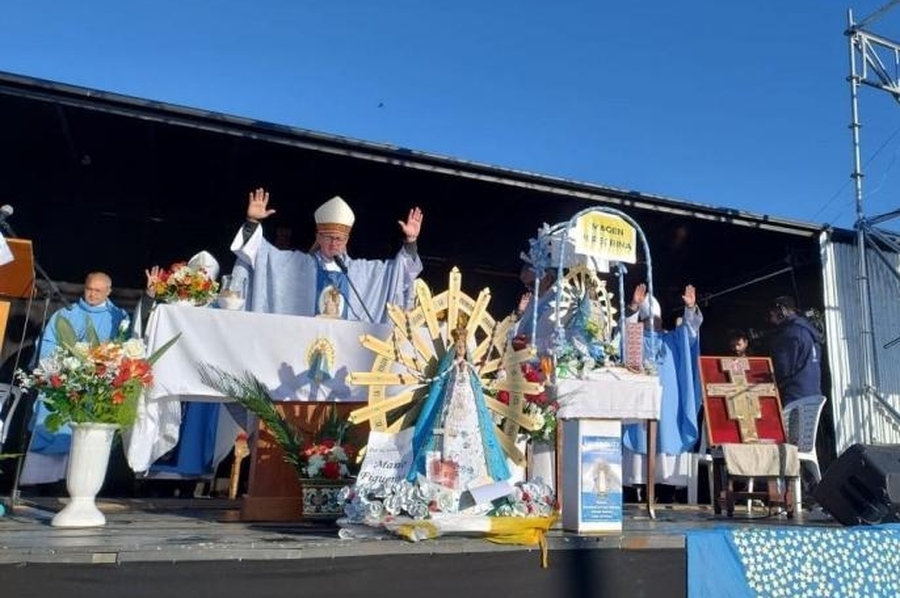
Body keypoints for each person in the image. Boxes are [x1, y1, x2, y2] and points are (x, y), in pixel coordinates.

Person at [230, 188, 423, 323]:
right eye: (329, 237)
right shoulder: (298, 265)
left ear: (347, 239)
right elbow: (260, 254)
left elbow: (398, 273)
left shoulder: (359, 273)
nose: (334, 243)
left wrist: (411, 241)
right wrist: (252, 221)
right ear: (318, 237)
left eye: (340, 238)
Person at [19, 272, 130, 487]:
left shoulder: (118, 317)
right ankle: (42, 484)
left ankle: (80, 485)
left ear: (109, 291)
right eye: (89, 289)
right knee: (50, 415)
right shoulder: (65, 315)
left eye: (98, 291)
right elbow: (48, 344)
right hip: (64, 383)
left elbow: (121, 348)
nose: (92, 294)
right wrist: (64, 369)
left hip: (97, 387)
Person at [406, 315, 510, 501]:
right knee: (445, 443)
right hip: (450, 413)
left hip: (469, 412)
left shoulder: (469, 367)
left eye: (463, 347)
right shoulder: (450, 366)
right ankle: (443, 493)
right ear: (454, 349)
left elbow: (478, 383)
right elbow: (439, 382)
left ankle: (480, 490)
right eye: (458, 348)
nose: (461, 350)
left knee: (475, 442)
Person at [621, 283, 704, 493]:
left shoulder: (672, 339)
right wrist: (633, 308)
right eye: (648, 319)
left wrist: (690, 309)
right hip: (640, 402)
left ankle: (665, 491)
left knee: (666, 439)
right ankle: (637, 491)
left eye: (656, 319)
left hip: (669, 402)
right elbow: (622, 335)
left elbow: (690, 334)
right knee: (640, 441)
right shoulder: (636, 339)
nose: (653, 323)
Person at [767, 295, 823, 407]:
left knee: (791, 425)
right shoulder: (809, 331)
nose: (771, 320)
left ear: (781, 311)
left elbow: (783, 368)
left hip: (795, 397)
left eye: (772, 314)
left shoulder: (790, 333)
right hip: (813, 394)